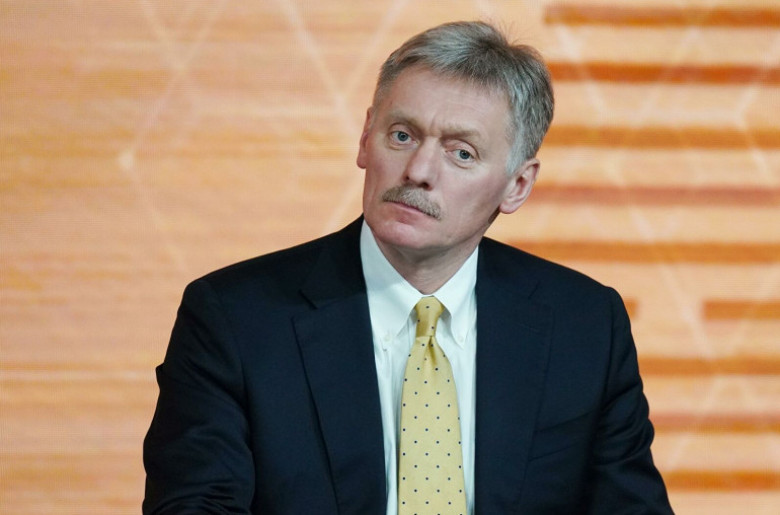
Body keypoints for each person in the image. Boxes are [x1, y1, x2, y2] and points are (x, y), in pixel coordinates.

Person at [143, 21, 673, 514]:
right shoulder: (235, 319)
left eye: (461, 153)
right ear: (365, 138)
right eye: (402, 135)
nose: (418, 171)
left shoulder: (584, 325)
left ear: (517, 186)